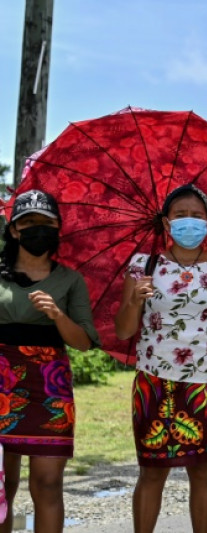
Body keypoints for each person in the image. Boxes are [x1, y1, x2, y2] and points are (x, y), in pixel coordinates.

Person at [114, 184, 207, 533]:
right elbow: (125, 331)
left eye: (197, 216)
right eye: (180, 215)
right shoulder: (143, 266)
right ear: (165, 223)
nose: (189, 222)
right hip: (154, 381)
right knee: (151, 470)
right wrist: (134, 301)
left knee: (203, 470)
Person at [0, 190, 99, 533]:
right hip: (0, 385)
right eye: (28, 223)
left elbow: (85, 342)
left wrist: (57, 315)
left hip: (49, 387)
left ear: (58, 228)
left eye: (46, 223)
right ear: (13, 229)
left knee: (47, 484)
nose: (37, 230)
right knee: (1, 487)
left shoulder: (70, 280)